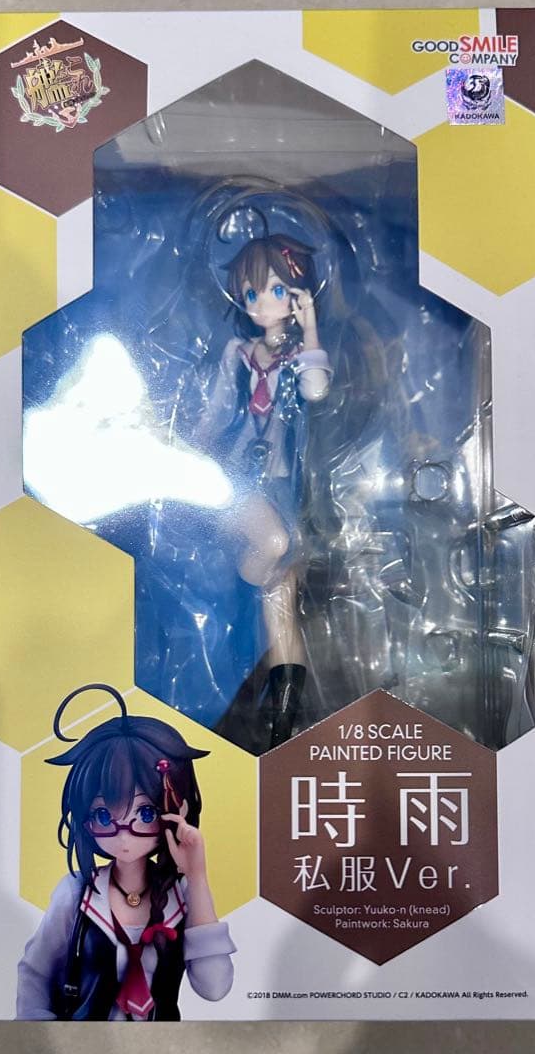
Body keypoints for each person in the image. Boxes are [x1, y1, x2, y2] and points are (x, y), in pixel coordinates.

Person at [16, 684, 235, 1020]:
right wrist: (42, 1035)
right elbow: (36, 974)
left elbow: (215, 987)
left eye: (145, 813)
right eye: (104, 816)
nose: (123, 833)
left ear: (176, 809)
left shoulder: (183, 896)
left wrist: (197, 876)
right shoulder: (77, 892)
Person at [196, 233, 332, 749]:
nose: (260, 303)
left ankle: (281, 727)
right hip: (235, 482)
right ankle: (239, 577)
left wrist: (311, 324)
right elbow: (213, 415)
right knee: (274, 547)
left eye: (274, 290)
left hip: (281, 487)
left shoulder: (300, 356)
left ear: (296, 293)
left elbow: (316, 389)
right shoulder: (237, 353)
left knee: (282, 611)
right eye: (250, 294)